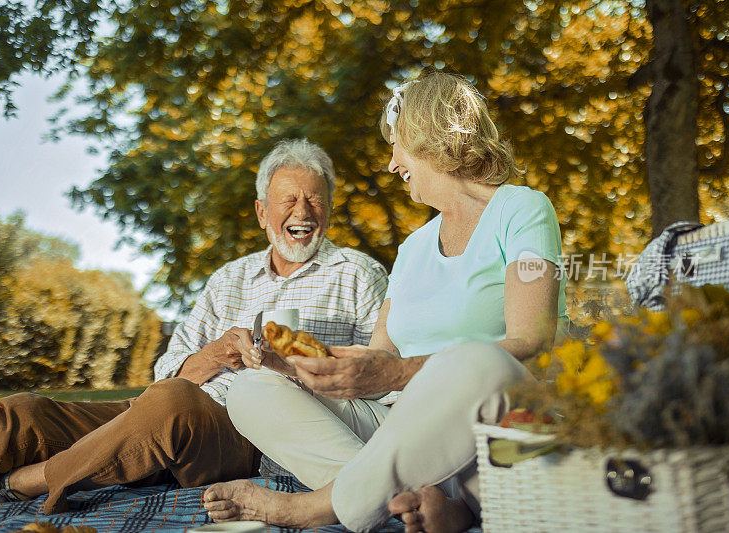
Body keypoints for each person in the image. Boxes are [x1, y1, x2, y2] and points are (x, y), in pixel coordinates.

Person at [0, 138, 388, 515]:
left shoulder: (357, 273)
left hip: (249, 434)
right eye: (289, 199)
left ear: (328, 209)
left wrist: (295, 357)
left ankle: (21, 483)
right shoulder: (229, 278)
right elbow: (166, 370)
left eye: (315, 199)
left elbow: (380, 378)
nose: (303, 211)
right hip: (166, 410)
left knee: (169, 405)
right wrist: (215, 354)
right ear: (261, 212)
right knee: (28, 413)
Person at [203, 72, 567, 533]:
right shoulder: (412, 248)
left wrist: (401, 373)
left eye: (397, 144)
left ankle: (317, 507)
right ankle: (417, 503)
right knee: (250, 389)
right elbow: (380, 363)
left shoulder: (524, 209)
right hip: (406, 435)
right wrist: (296, 364)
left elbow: (533, 342)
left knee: (477, 362)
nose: (393, 164)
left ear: (428, 136)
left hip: (504, 436)